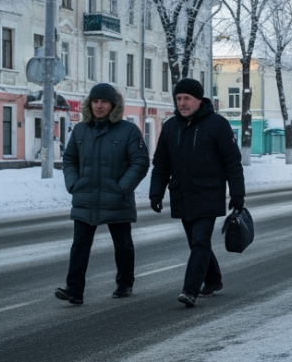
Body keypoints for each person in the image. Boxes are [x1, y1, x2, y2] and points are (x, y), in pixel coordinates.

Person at [149, 78, 246, 308]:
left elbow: (232, 161)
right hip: (182, 193)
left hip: (208, 194)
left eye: (187, 99)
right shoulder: (171, 127)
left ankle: (190, 290)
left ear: (199, 100)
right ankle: (213, 279)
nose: (182, 103)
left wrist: (237, 193)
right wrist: (156, 193)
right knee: (196, 243)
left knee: (200, 241)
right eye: (179, 98)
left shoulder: (217, 125)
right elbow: (161, 163)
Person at [55, 83, 149, 306]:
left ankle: (125, 283)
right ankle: (74, 290)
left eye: (104, 102)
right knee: (80, 245)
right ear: (90, 103)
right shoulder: (80, 130)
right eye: (95, 101)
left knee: (123, 244)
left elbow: (140, 162)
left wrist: (122, 187)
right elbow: (69, 159)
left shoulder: (128, 131)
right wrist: (74, 184)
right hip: (85, 197)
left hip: (116, 197)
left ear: (112, 105)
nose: (99, 106)